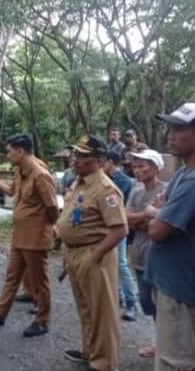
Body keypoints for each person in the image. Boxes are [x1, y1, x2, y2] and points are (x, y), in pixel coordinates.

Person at [0, 134, 58, 338]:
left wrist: (48, 228)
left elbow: (53, 208)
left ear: (20, 152)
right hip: (20, 236)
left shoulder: (40, 175)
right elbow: (11, 192)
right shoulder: (21, 171)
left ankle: (42, 321)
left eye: (10, 151)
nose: (7, 155)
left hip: (36, 238)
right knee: (12, 277)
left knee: (40, 281)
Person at [57, 135, 127, 371]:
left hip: (95, 254)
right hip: (75, 253)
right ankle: (90, 352)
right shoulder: (80, 181)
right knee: (86, 307)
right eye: (75, 154)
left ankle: (105, 363)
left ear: (98, 161)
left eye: (82, 156)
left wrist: (94, 257)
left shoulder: (106, 189)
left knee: (102, 313)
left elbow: (120, 230)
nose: (75, 159)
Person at [144, 103, 195, 371]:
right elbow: (161, 207)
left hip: (180, 289)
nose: (170, 135)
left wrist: (154, 211)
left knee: (174, 361)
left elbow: (157, 230)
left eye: (179, 129)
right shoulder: (182, 173)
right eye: (170, 128)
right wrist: (160, 211)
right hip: (172, 282)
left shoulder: (191, 181)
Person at [125, 150, 167, 358]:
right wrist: (148, 214)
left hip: (160, 257)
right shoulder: (136, 190)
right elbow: (126, 218)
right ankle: (162, 341)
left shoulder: (166, 191)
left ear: (156, 167)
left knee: (164, 303)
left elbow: (162, 223)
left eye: (143, 166)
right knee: (147, 301)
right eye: (135, 166)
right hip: (139, 255)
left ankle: (165, 345)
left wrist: (141, 220)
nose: (138, 170)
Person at [104, 151, 138, 321]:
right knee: (110, 263)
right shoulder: (106, 178)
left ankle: (131, 301)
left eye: (104, 161)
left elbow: (117, 205)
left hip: (118, 227)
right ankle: (116, 297)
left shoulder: (123, 180)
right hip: (105, 228)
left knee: (121, 264)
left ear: (110, 162)